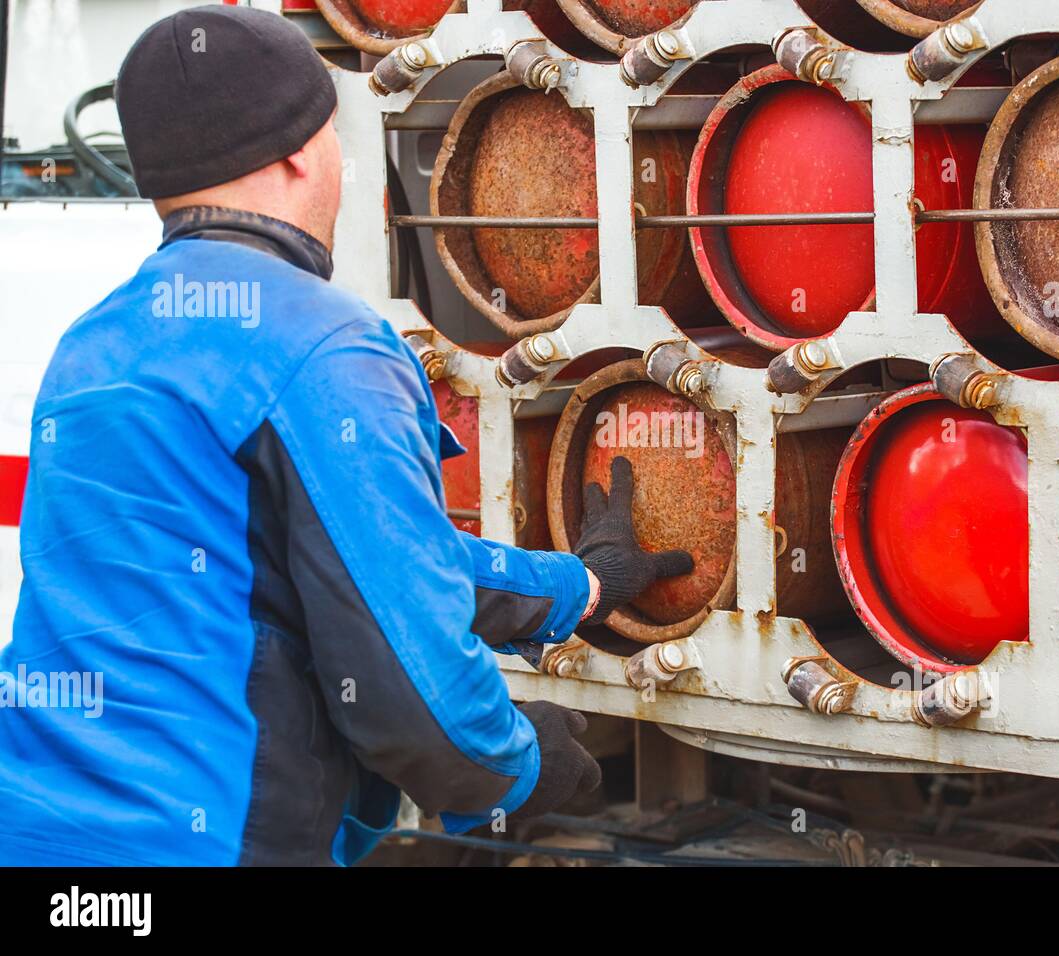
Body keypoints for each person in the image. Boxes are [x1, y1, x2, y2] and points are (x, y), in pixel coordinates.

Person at [0, 5, 691, 866]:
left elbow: (345, 556)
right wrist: (514, 765)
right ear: (300, 150)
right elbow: (410, 691)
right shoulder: (323, 345)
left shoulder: (95, 342)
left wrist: (579, 587)